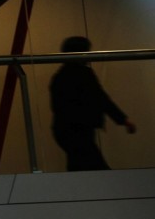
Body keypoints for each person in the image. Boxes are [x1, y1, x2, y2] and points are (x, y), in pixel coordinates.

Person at [50, 36, 136, 171]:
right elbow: (101, 99)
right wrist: (123, 120)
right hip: (79, 130)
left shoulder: (59, 76)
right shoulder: (83, 74)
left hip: (66, 130)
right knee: (96, 167)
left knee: (80, 166)